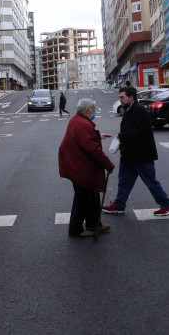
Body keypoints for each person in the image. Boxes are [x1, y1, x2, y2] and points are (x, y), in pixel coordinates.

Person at [102, 86, 169, 216]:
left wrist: (122, 137)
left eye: (122, 97)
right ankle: (119, 205)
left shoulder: (139, 110)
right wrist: (123, 149)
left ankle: (167, 205)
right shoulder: (131, 109)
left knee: (150, 181)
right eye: (119, 97)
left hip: (141, 155)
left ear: (131, 97)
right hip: (130, 154)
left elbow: (139, 132)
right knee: (124, 181)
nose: (120, 100)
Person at [59, 98, 115, 237]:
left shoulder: (77, 121)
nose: (94, 112)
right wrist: (108, 165)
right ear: (87, 110)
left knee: (93, 195)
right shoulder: (83, 124)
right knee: (83, 199)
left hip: (77, 163)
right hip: (79, 166)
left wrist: (97, 136)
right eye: (93, 109)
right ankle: (75, 229)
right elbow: (92, 149)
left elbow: (85, 139)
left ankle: (94, 223)